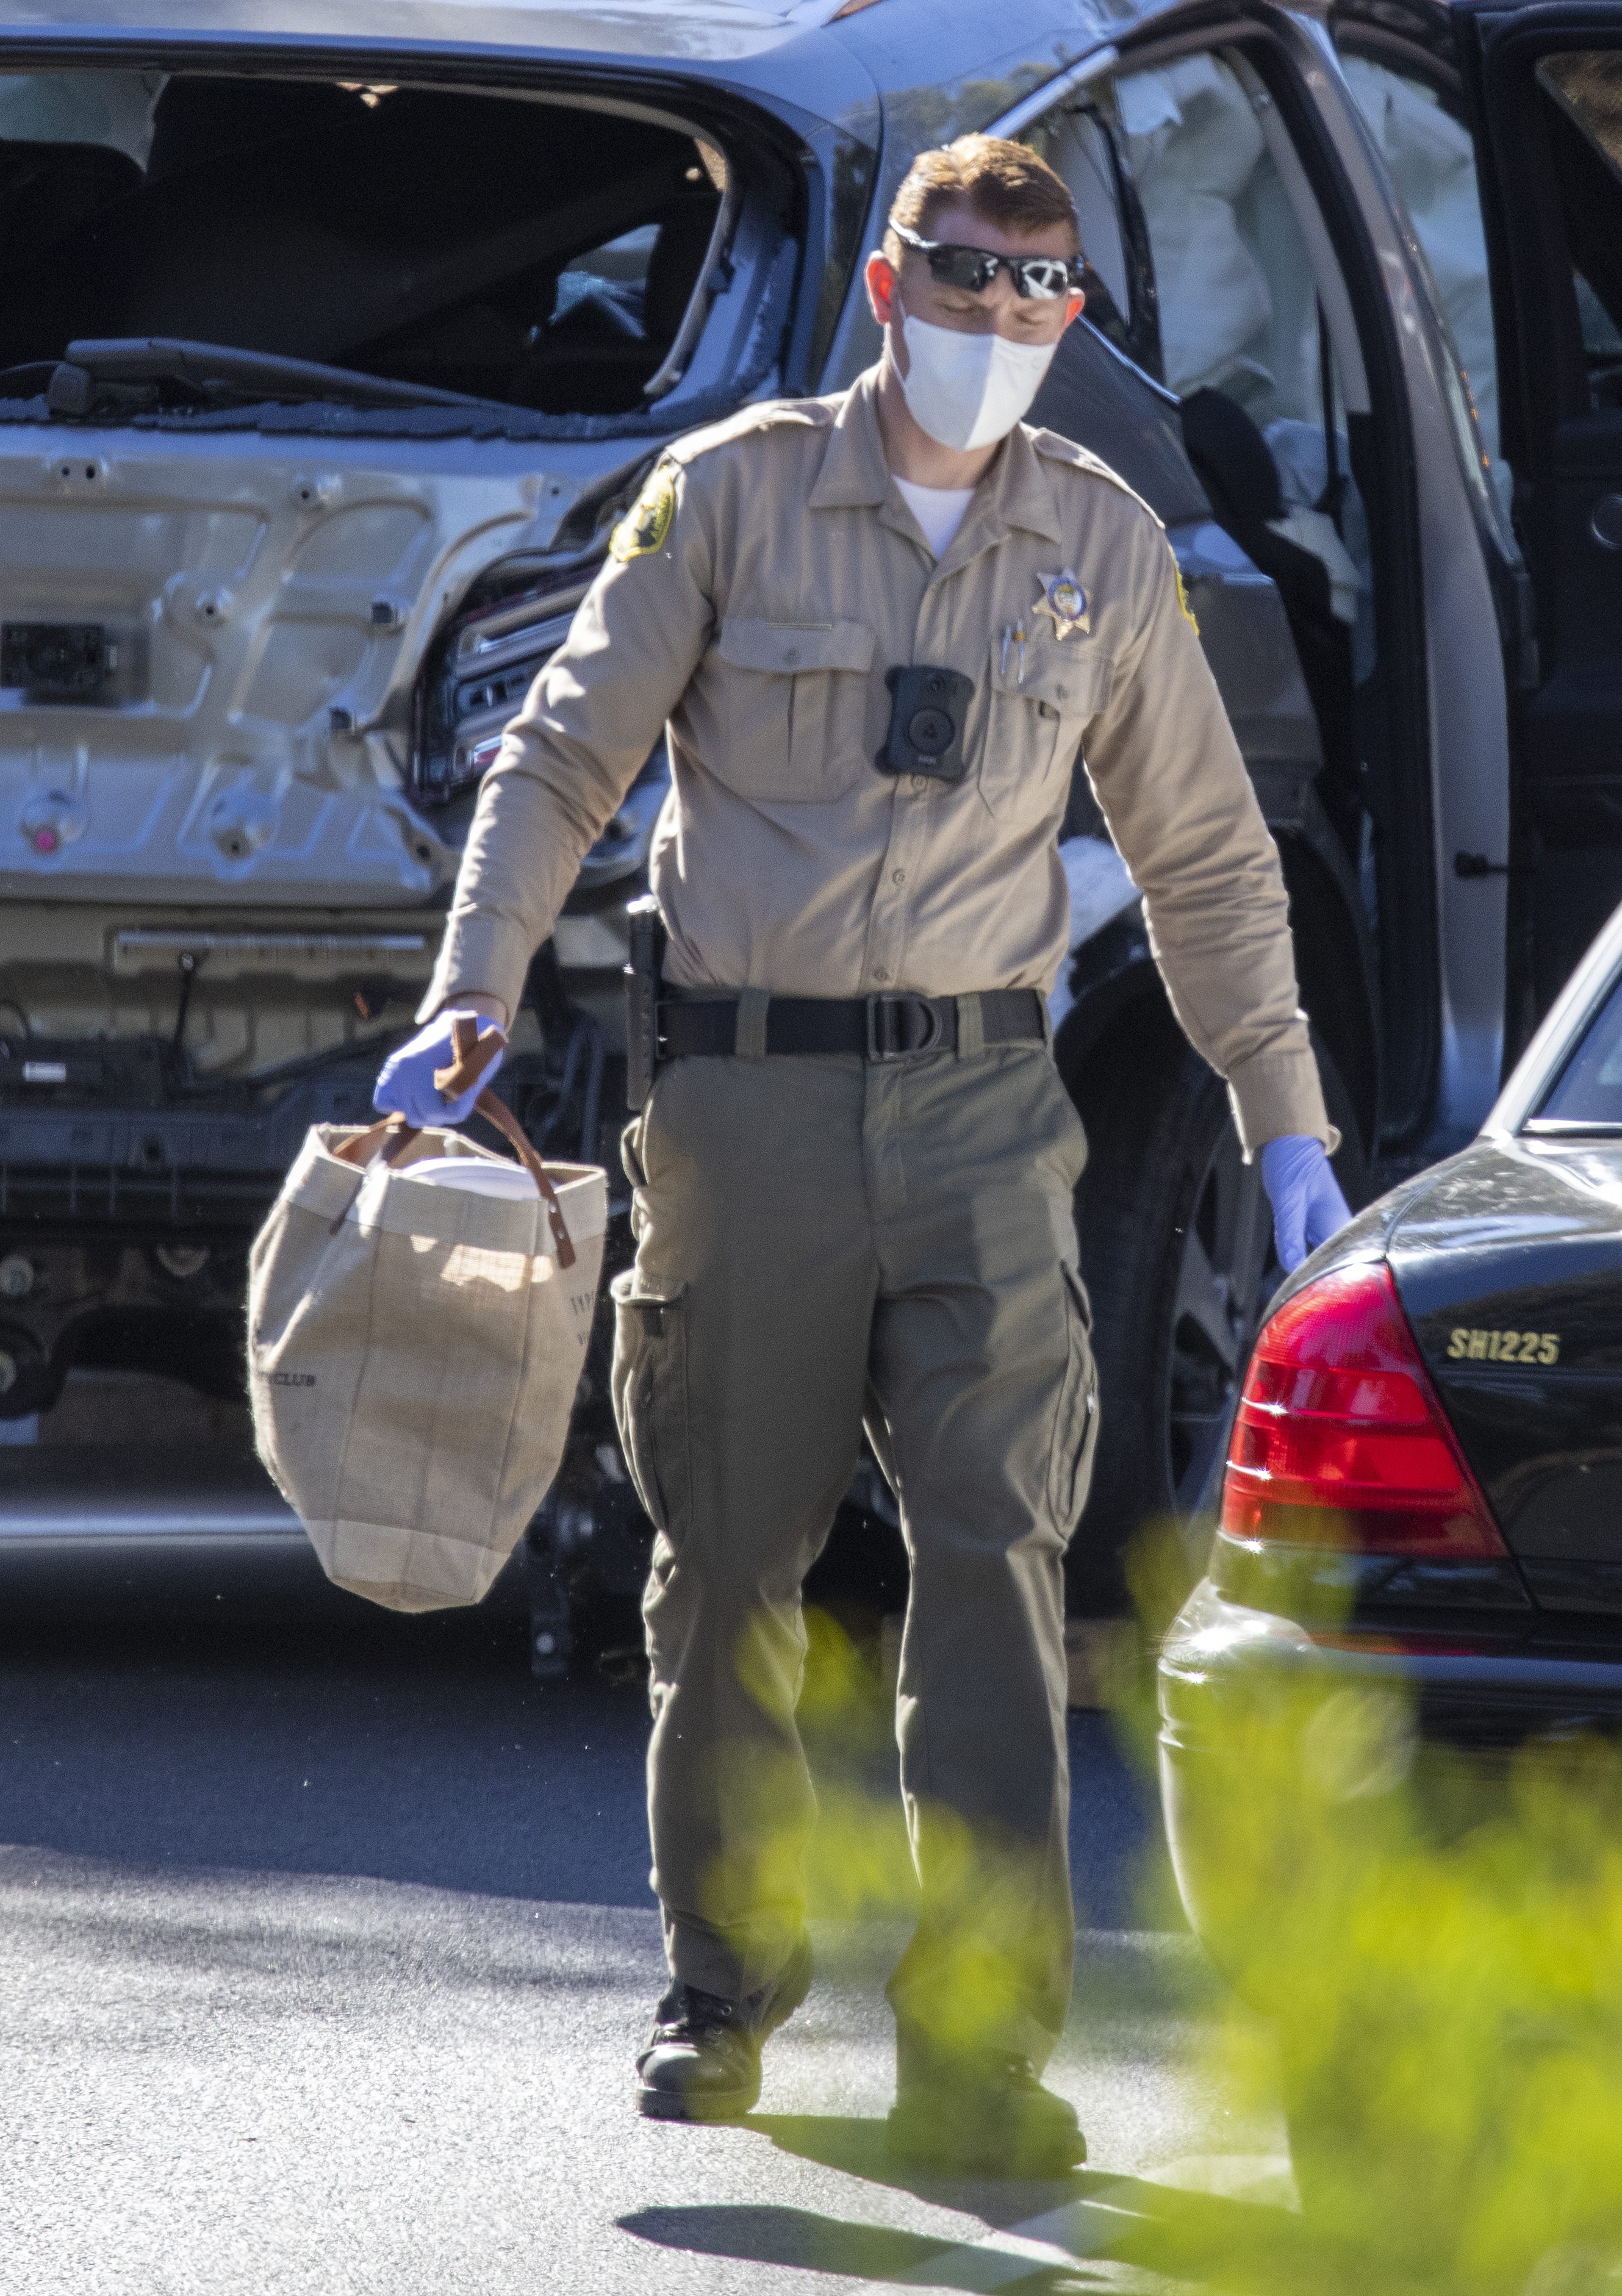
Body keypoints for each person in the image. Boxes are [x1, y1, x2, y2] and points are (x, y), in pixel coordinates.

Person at [389, 134, 1357, 2175]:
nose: (993, 319)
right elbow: (564, 749)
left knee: (999, 1567)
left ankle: (983, 2052)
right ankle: (723, 1985)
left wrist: (1288, 1132)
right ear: (883, 285)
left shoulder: (1103, 542)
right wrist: (470, 987)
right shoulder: (733, 492)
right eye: (958, 272)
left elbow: (1200, 854)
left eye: (1034, 288)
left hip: (988, 1111)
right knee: (731, 1554)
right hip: (745, 1102)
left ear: (1072, 317)